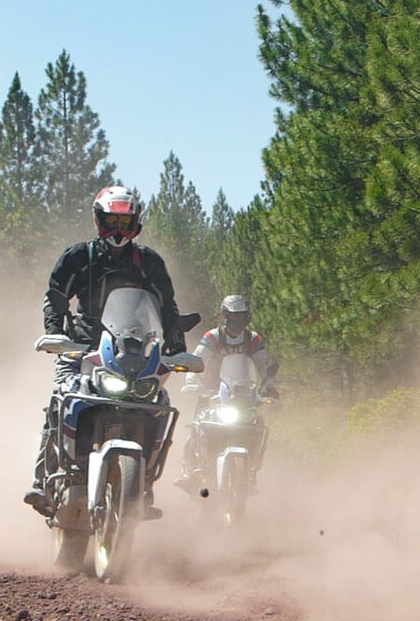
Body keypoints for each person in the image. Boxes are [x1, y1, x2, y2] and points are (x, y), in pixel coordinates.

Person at [24, 185, 187, 517]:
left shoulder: (150, 262)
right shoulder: (78, 257)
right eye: (111, 221)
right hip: (82, 348)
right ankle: (43, 481)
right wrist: (55, 333)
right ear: (98, 219)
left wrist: (177, 347)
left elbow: (167, 307)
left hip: (134, 351)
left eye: (125, 223)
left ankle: (143, 489)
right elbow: (56, 295)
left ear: (137, 224)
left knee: (158, 405)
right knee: (62, 398)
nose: (118, 230)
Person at [175, 294, 278, 489]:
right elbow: (198, 359)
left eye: (242, 317)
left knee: (258, 425)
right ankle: (187, 471)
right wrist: (192, 381)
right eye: (234, 317)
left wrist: (269, 387)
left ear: (248, 318)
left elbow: (264, 367)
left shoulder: (254, 340)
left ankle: (251, 469)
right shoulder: (213, 337)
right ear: (225, 316)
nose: (238, 322)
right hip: (211, 391)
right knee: (197, 426)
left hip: (243, 396)